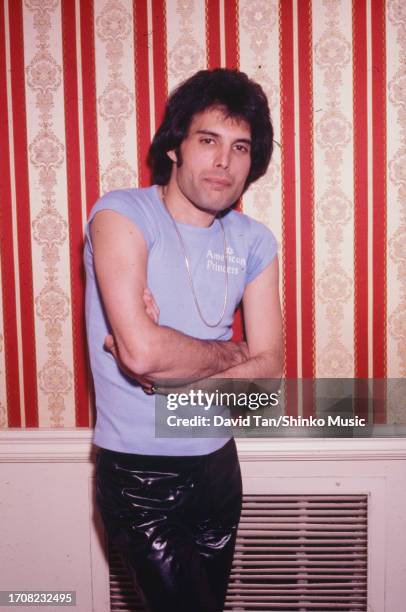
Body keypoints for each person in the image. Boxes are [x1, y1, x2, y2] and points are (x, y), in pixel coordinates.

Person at [84, 68, 283, 612]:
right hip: (140, 474)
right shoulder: (122, 214)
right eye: (208, 140)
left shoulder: (254, 241)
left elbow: (268, 376)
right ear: (175, 146)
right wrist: (232, 352)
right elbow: (145, 354)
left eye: (240, 146)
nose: (224, 161)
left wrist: (167, 361)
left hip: (220, 466)